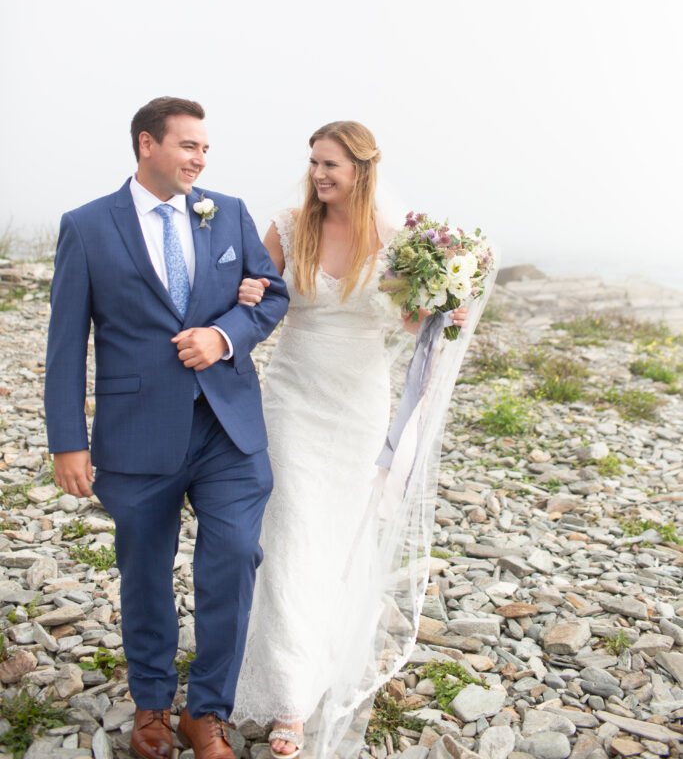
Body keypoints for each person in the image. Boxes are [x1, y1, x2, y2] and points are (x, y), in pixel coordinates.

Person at [44, 97, 289, 759]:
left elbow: (271, 295)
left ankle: (206, 711)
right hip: (135, 434)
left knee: (234, 556)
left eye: (205, 148)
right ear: (147, 144)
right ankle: (152, 704)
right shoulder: (88, 226)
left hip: (227, 429)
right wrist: (68, 440)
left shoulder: (228, 212)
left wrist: (223, 334)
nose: (200, 158)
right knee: (145, 572)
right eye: (188, 145)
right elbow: (66, 342)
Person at [231, 121, 466, 758]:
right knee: (289, 535)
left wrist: (448, 307)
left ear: (362, 169)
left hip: (357, 408)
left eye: (331, 164)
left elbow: (414, 318)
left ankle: (320, 662)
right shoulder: (286, 225)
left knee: (335, 539)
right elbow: (251, 301)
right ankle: (288, 701)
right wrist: (250, 290)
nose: (319, 174)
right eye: (313, 162)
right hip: (292, 400)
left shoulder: (397, 243)